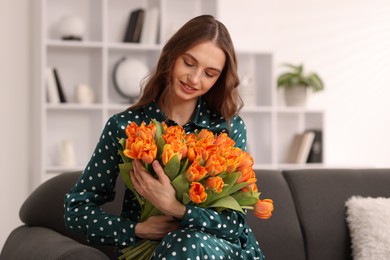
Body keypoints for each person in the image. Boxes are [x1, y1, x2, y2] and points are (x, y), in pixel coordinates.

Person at [64, 14, 264, 259]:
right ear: (172, 55)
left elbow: (234, 225)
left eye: (209, 74)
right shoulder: (126, 126)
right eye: (189, 63)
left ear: (219, 79)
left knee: (187, 240)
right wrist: (135, 230)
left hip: (221, 252)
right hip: (151, 252)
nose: (194, 79)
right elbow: (76, 209)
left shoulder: (227, 129)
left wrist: (177, 209)